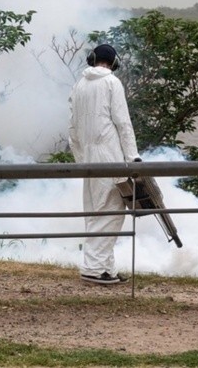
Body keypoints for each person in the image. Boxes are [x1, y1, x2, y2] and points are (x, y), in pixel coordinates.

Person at [68, 43, 142, 285]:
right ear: (114, 63)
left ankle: (106, 268)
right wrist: (133, 159)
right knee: (111, 212)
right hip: (109, 156)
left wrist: (81, 161)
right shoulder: (112, 83)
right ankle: (93, 269)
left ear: (92, 59)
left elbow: (72, 130)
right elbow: (123, 123)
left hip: (88, 158)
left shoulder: (79, 85)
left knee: (94, 212)